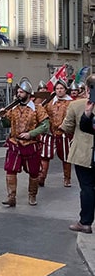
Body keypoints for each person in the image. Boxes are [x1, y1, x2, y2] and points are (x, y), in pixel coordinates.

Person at [0, 78, 50, 207]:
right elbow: (6, 125)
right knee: (10, 170)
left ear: (28, 94)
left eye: (21, 92)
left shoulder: (38, 108)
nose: (18, 94)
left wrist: (31, 134)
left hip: (31, 144)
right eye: (18, 92)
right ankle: (11, 197)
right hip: (15, 143)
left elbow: (45, 125)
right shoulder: (13, 108)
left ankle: (32, 195)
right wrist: (3, 116)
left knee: (33, 172)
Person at [60, 75, 95, 233]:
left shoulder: (76, 105)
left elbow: (66, 127)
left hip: (83, 153)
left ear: (87, 88)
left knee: (87, 188)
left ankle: (85, 222)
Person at [39, 79, 73, 187]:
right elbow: (41, 114)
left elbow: (73, 118)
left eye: (61, 88)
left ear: (65, 90)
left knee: (66, 157)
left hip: (64, 134)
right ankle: (42, 177)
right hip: (50, 133)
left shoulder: (71, 103)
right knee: (45, 156)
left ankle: (67, 179)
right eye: (57, 88)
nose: (59, 91)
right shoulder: (49, 103)